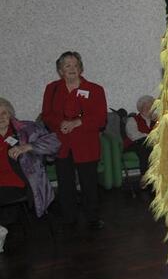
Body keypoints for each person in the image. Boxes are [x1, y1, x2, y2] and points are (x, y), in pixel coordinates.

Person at [41, 51, 107, 230]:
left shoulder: (95, 89)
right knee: (65, 183)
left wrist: (78, 122)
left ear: (81, 68)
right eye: (67, 65)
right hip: (62, 144)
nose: (72, 68)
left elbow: (101, 119)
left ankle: (92, 217)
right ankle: (69, 217)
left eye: (75, 65)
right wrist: (60, 123)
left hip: (86, 144)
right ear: (60, 70)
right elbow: (46, 115)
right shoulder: (52, 88)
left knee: (89, 183)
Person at [0, 97, 59, 249]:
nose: (1, 117)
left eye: (4, 113)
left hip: (19, 181)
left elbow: (54, 143)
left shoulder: (26, 129)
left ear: (10, 114)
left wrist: (28, 147)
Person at [125, 95, 156, 181]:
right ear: (140, 108)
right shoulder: (132, 120)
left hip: (153, 144)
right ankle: (145, 177)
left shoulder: (156, 120)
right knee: (146, 145)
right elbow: (133, 135)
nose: (148, 109)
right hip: (135, 144)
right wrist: (150, 137)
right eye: (146, 107)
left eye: (151, 107)